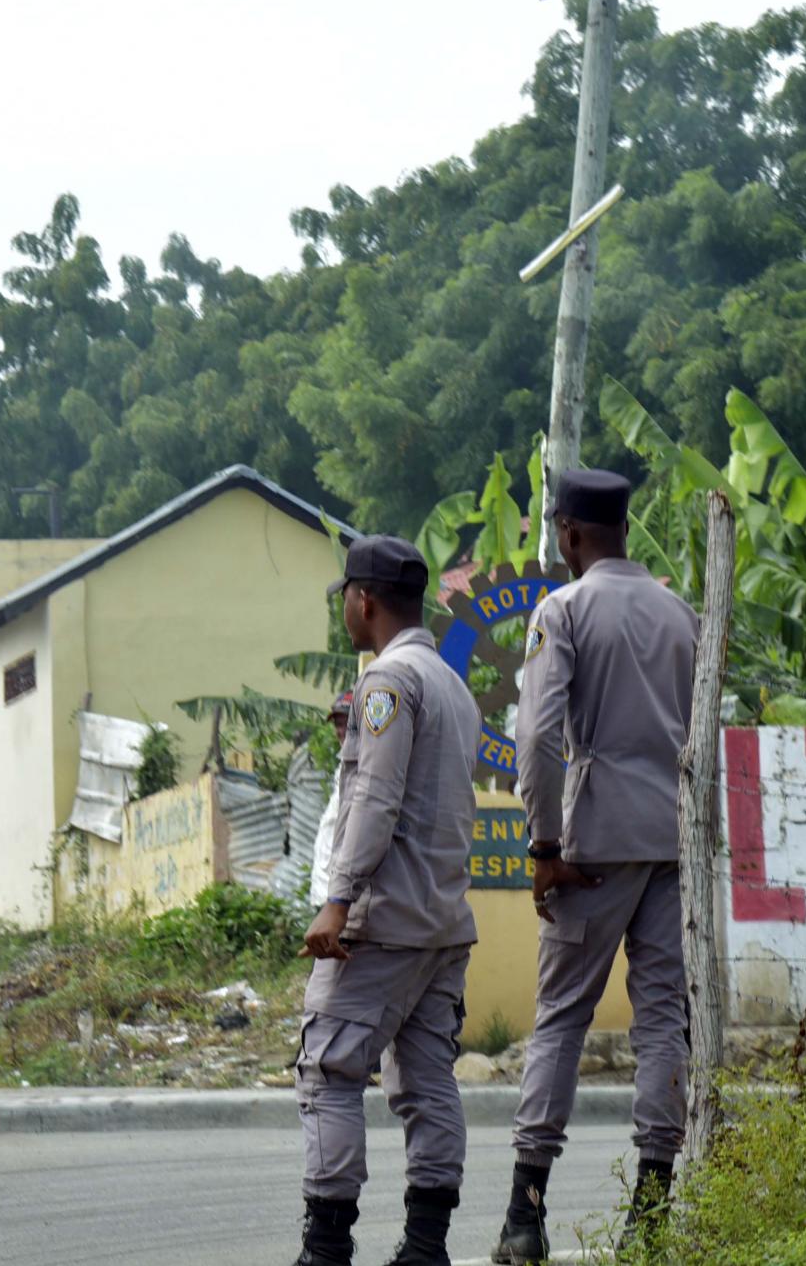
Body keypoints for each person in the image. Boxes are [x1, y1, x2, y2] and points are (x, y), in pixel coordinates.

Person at [493, 468, 700, 1264]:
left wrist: (545, 847)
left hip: (592, 849)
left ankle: (525, 1210)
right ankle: (651, 1214)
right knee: (662, 1028)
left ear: (571, 532)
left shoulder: (564, 610)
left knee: (562, 1021)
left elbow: (539, 738)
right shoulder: (681, 612)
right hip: (672, 844)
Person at [296, 535, 481, 1266]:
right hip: (442, 922)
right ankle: (427, 1246)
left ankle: (326, 1246)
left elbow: (372, 799)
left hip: (384, 921)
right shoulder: (452, 685)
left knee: (330, 1070)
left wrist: (337, 901)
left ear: (363, 599)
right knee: (427, 1078)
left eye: (346, 592)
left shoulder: (385, 685)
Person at [306, 690, 356, 911]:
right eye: (338, 724)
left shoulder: (366, 767)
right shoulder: (343, 768)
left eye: (348, 723)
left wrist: (339, 899)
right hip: (327, 894)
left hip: (341, 900)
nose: (341, 731)